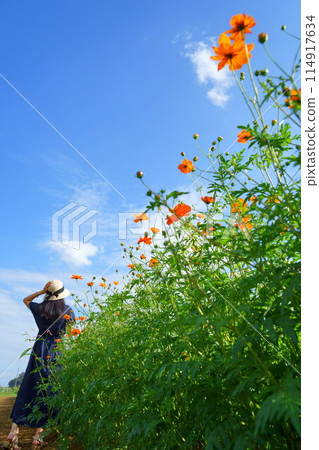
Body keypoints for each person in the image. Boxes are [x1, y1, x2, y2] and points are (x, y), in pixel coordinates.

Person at [6, 280, 75, 448]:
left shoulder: (39, 308)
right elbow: (72, 333)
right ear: (61, 295)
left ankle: (13, 432)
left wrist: (40, 292)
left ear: (47, 293)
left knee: (29, 386)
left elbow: (26, 300)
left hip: (39, 348)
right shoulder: (68, 311)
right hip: (56, 351)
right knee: (49, 390)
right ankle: (38, 436)